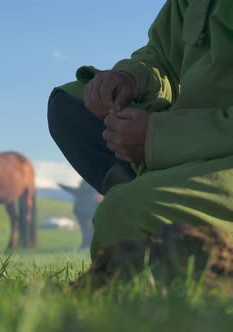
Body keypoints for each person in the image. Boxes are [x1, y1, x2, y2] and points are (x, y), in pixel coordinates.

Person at [47, 0, 233, 259]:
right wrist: (132, 78)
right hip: (189, 135)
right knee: (70, 106)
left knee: (122, 215)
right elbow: (163, 55)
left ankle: (150, 201)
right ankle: (158, 192)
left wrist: (160, 138)